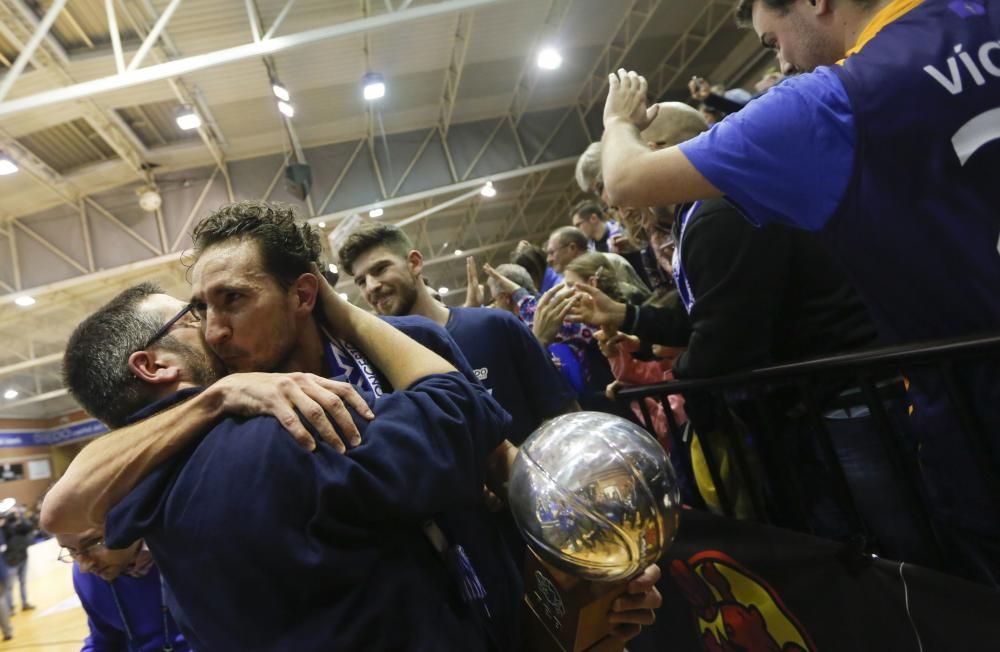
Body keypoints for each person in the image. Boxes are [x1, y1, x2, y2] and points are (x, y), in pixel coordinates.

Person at [45, 202, 661, 648]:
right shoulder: (228, 421)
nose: (213, 331)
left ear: (304, 295)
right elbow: (70, 509)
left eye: (233, 300)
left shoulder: (411, 343)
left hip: (500, 604)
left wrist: (588, 575)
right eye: (201, 309)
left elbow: (503, 462)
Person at [599, 0, 1000, 583]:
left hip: (977, 419)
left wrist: (618, 123)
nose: (782, 58)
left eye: (772, 40)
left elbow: (623, 179)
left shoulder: (827, 101)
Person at [337, 222, 579, 447]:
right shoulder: (376, 368)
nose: (371, 286)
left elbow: (564, 415)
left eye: (380, 269)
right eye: (361, 281)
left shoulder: (496, 326)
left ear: (414, 263)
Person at [57, 529, 188, 652]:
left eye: (93, 543)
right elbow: (105, 640)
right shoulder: (85, 576)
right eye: (71, 550)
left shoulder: (186, 545)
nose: (84, 567)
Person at [2, 508, 34, 613]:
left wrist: (20, 516)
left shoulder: (20, 524)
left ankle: (25, 603)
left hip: (23, 556)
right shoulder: (4, 528)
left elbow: (29, 527)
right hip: (11, 561)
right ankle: (10, 608)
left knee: (23, 582)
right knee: (9, 586)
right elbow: (6, 534)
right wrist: (5, 522)